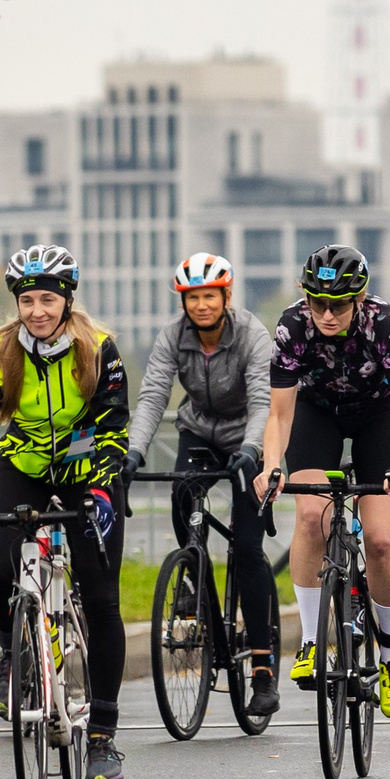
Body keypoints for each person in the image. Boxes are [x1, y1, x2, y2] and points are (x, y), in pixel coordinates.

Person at [0, 246, 132, 779]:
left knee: (101, 599)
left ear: (67, 300)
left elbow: (115, 427)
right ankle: (9, 649)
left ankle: (102, 739)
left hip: (87, 466)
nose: (37, 311)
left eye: (47, 299)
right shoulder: (1, 353)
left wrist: (100, 491)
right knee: (0, 573)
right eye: (27, 300)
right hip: (22, 465)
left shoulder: (98, 348)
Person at [257, 244, 390, 719]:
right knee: (311, 515)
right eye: (317, 302)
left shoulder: (385, 325)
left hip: (376, 418)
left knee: (382, 539)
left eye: (338, 304)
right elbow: (279, 415)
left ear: (360, 298)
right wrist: (271, 465)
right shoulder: (291, 327)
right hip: (317, 413)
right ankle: (310, 640)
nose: (326, 314)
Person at [124, 253, 280, 719]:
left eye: (210, 296)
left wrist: (253, 451)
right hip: (199, 430)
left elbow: (262, 400)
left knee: (248, 549)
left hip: (249, 436)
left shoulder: (251, 333)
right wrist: (133, 452)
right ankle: (192, 572)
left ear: (225, 297)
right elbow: (153, 395)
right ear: (185, 302)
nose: (202, 306)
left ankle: (262, 670)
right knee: (181, 491)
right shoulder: (173, 336)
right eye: (193, 298)